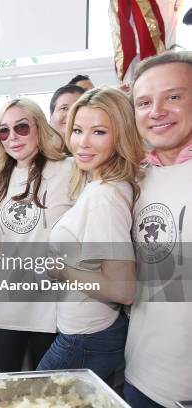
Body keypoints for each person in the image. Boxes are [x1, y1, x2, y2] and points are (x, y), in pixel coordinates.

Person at [37, 87, 145, 382]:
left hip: (86, 338)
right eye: (77, 130)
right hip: (88, 331)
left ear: (120, 135)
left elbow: (123, 289)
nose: (82, 143)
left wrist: (60, 271)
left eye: (98, 132)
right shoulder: (100, 183)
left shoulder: (105, 195)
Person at [124, 51, 192, 407]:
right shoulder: (133, 180)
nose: (157, 111)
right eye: (145, 102)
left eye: (174, 97)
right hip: (143, 378)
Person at [0, 98, 74, 372]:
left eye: (21, 128)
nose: (12, 137)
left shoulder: (68, 169)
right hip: (8, 300)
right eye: (4, 131)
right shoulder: (2, 176)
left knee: (46, 390)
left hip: (50, 305)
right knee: (0, 384)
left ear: (39, 127)